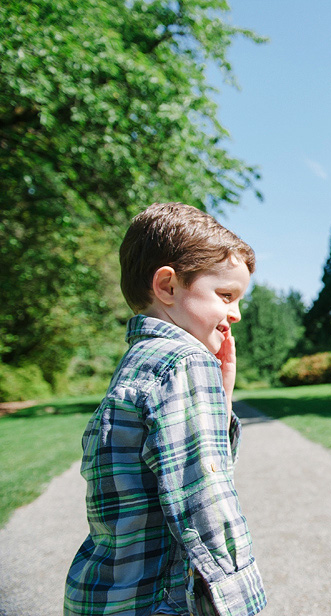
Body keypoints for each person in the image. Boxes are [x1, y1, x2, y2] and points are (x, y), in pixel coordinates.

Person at [65, 203, 267, 616]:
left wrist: (221, 399)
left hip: (109, 596)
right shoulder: (183, 363)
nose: (237, 314)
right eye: (226, 295)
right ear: (168, 287)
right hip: (158, 602)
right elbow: (205, 502)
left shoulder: (141, 361)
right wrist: (242, 602)